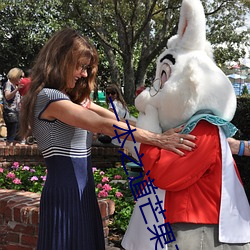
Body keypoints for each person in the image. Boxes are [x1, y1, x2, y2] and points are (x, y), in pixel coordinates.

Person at [19, 28, 196, 250]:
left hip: (82, 190)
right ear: (61, 60)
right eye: (80, 66)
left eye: (86, 68)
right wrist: (158, 139)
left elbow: (115, 118)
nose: (83, 74)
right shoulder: (49, 98)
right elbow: (103, 125)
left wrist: (159, 126)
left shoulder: (69, 100)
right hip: (66, 192)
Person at [3, 68, 24, 146]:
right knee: (11, 135)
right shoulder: (8, 84)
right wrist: (17, 89)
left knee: (17, 136)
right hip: (10, 112)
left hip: (16, 112)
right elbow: (7, 96)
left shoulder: (15, 85)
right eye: (20, 76)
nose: (22, 79)